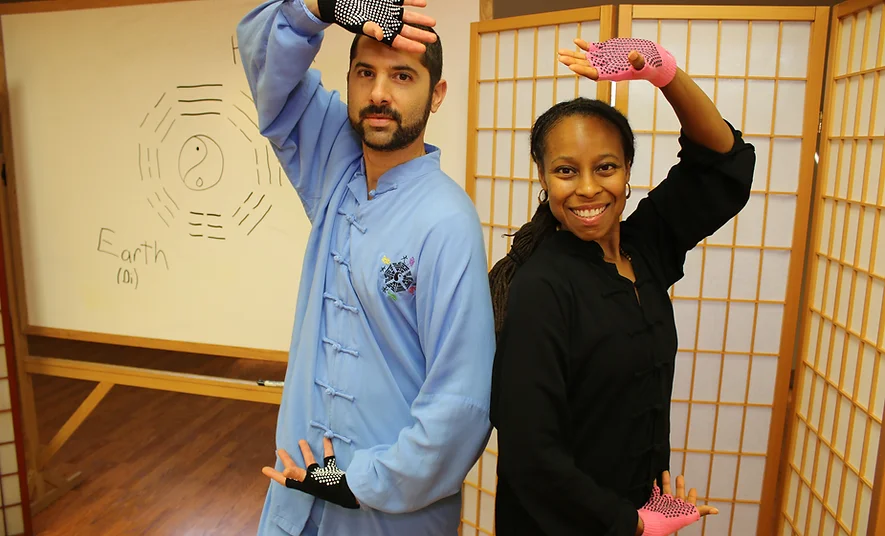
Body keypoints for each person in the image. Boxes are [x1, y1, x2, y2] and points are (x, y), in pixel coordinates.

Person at [236, 1, 495, 534]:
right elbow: (263, 63)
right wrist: (326, 6)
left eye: (403, 76)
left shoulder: (448, 221)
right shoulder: (336, 164)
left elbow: (461, 405)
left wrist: (355, 481)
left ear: (437, 94)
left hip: (387, 514)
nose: (379, 93)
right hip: (296, 490)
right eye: (365, 73)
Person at [488, 37, 756, 536]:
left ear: (628, 171)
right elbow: (532, 457)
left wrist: (664, 72)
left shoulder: (645, 245)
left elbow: (725, 165)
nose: (588, 188)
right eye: (566, 171)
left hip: (634, 515)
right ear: (544, 179)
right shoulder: (541, 287)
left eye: (605, 167)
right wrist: (631, 523)